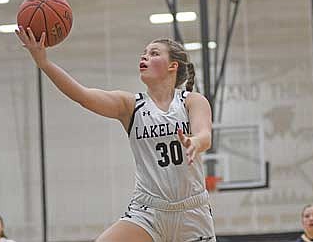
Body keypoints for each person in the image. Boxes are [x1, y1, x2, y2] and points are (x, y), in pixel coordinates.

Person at [16, 27, 216, 242]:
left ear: (172, 66)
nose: (145, 56)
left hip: (192, 213)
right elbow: (82, 95)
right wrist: (43, 62)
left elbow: (204, 135)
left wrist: (195, 141)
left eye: (154, 53)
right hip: (148, 211)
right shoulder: (130, 105)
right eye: (144, 53)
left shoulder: (191, 101)